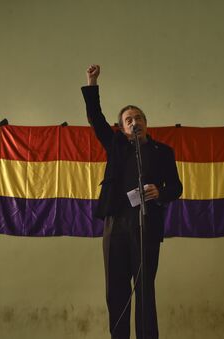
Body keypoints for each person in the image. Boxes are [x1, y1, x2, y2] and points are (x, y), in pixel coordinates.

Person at [81, 64, 183, 339]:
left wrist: (160, 193)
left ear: (145, 123)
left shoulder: (163, 152)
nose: (134, 121)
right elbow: (96, 118)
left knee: (145, 291)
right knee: (116, 291)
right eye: (128, 119)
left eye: (138, 117)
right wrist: (92, 82)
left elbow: (176, 187)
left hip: (147, 225)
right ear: (123, 127)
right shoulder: (116, 145)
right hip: (116, 224)